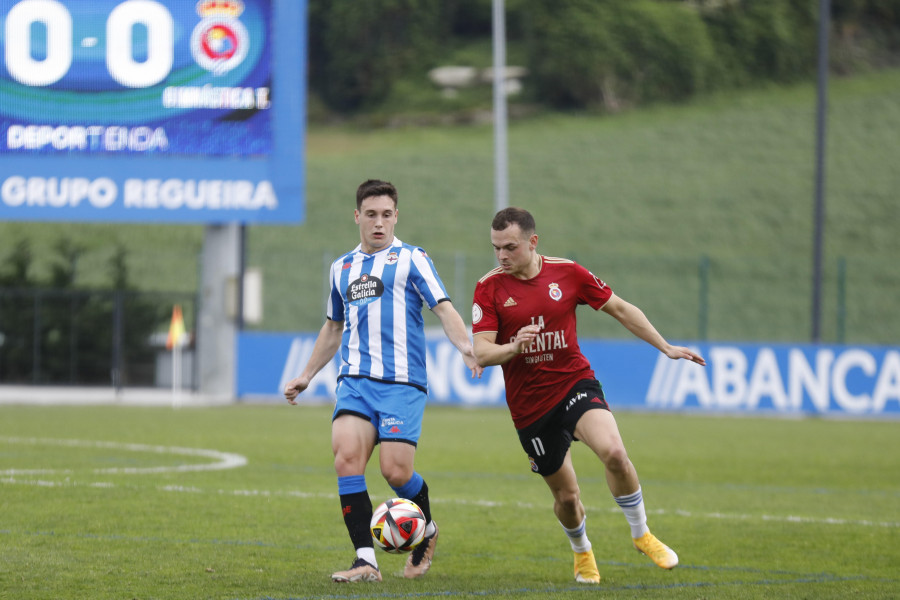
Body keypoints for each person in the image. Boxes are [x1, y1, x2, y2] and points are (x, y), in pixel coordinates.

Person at [471, 207, 706, 584]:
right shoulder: (489, 287)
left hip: (573, 383)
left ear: (532, 242)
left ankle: (641, 533)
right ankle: (582, 552)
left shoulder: (567, 272)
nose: (501, 256)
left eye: (509, 247)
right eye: (495, 248)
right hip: (530, 407)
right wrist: (514, 347)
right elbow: (481, 351)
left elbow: (620, 309)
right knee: (567, 498)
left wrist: (665, 346)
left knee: (614, 452)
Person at [284, 179, 482, 583]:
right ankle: (365, 561)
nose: (378, 223)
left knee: (395, 471)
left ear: (396, 217)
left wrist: (465, 346)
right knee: (346, 460)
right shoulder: (341, 267)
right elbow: (332, 327)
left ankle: (426, 530)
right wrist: (307, 374)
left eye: (386, 215)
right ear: (357, 216)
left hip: (402, 382)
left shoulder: (413, 259)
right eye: (370, 215)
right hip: (355, 380)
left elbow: (443, 308)